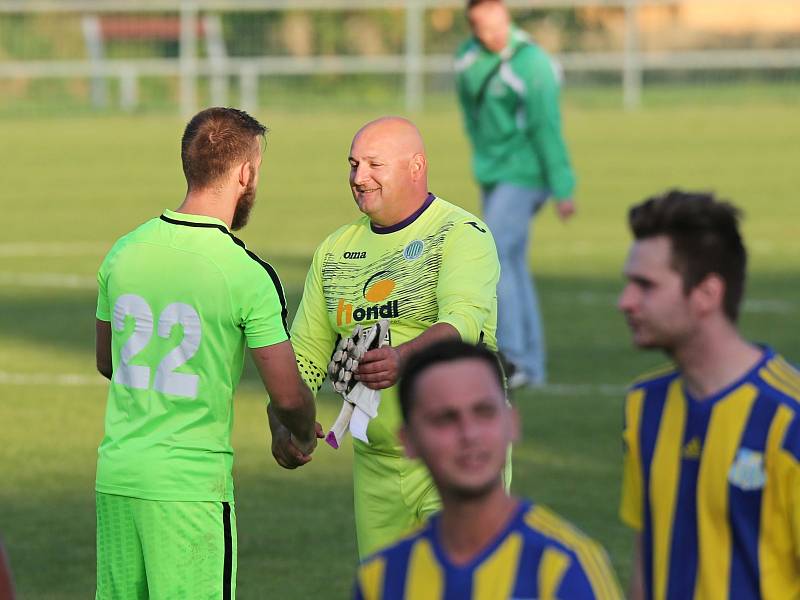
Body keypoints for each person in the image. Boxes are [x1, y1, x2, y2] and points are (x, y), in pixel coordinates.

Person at [94, 107, 318, 599]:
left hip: (117, 478)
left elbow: (108, 361)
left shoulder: (124, 250)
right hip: (189, 491)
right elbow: (287, 395)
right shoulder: (245, 273)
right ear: (246, 173)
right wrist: (300, 433)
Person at [272, 116, 500, 558]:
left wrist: (405, 357)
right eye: (353, 165)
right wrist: (284, 420)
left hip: (458, 455)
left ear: (417, 167)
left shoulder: (459, 235)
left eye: (375, 164)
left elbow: (464, 323)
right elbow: (305, 355)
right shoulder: (336, 250)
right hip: (376, 463)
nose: (360, 178)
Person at [618, 190, 800, 600]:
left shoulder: (789, 418)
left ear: (707, 294)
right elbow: (647, 557)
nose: (625, 302)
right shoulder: (644, 407)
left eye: (645, 285)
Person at [353, 340, 622, 599]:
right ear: (409, 440)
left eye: (484, 412)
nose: (469, 434)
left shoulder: (567, 566)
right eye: (445, 418)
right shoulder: (382, 577)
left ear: (513, 423)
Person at [456, 0, 576, 387]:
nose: (493, 35)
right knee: (513, 265)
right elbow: (472, 119)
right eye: (483, 28)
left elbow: (547, 128)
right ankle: (532, 365)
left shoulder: (533, 65)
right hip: (495, 174)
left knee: (494, 255)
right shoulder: (465, 61)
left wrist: (563, 187)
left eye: (498, 26)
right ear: (472, 26)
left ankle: (516, 358)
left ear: (506, 17)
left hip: (526, 174)